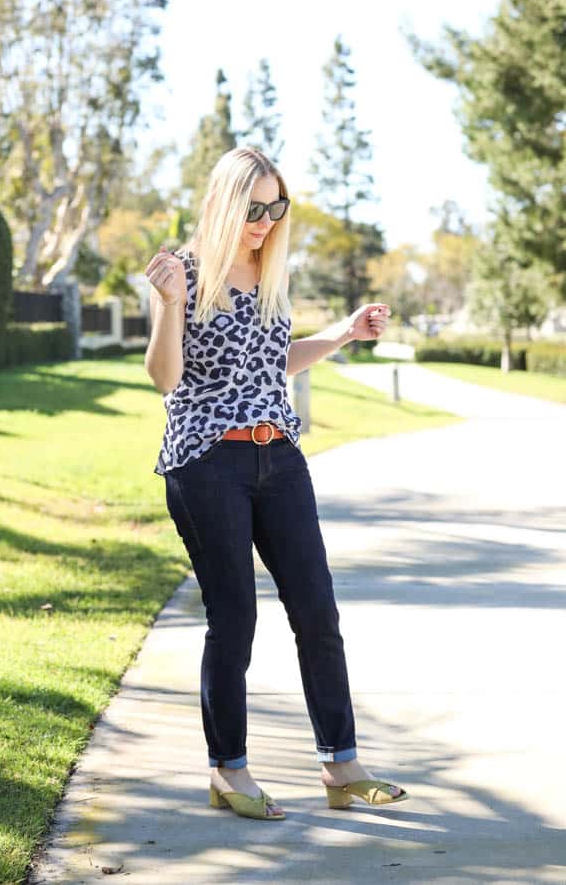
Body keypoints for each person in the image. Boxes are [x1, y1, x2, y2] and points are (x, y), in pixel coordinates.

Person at [143, 146, 408, 820]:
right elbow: (165, 377)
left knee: (317, 611)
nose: (265, 221)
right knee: (235, 619)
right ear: (226, 201)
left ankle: (341, 767)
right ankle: (228, 772)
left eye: (276, 207)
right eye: (254, 207)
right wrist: (171, 304)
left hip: (279, 458)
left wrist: (343, 335)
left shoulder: (270, 271)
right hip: (208, 464)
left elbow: (273, 360)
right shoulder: (183, 271)